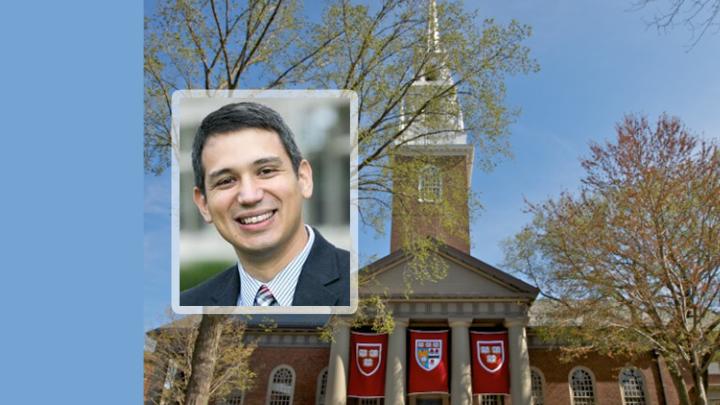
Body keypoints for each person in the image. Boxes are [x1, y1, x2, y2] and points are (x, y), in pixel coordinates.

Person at [180, 102, 350, 307]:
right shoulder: (190, 305)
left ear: (304, 178)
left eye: (266, 171)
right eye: (226, 181)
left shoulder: (366, 285)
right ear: (203, 204)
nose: (250, 196)